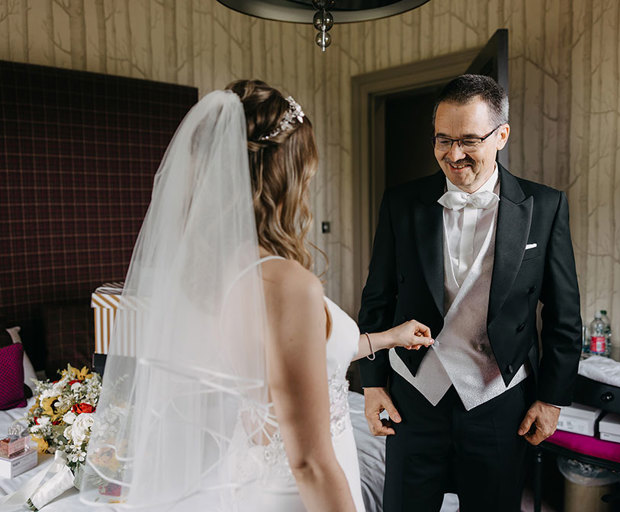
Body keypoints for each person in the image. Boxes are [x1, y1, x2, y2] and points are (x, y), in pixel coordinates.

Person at [78, 80, 433, 512]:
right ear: (285, 174)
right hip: (300, 496)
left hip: (249, 482)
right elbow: (311, 464)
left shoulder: (198, 276)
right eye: (306, 168)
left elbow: (290, 366)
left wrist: (388, 337)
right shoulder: (286, 284)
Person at [358, 74, 582, 512]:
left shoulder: (545, 206)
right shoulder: (402, 203)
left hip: (499, 401)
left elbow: (563, 314)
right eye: (443, 139)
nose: (453, 154)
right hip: (414, 396)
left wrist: (552, 398)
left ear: (501, 136)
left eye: (468, 140)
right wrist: (371, 383)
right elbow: (377, 297)